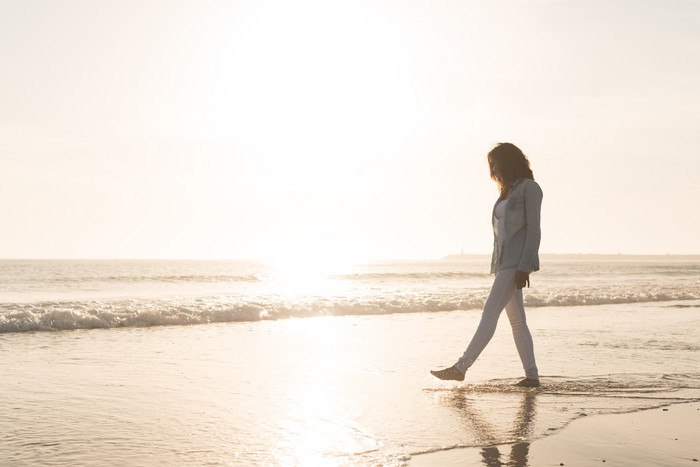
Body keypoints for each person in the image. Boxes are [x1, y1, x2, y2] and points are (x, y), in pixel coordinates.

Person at [431, 143, 542, 387]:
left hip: (516, 263)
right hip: (503, 262)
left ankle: (461, 367)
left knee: (490, 312)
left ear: (508, 161)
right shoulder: (505, 192)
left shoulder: (530, 189)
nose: (492, 168)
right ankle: (532, 376)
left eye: (495, 163)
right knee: (517, 321)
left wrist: (524, 266)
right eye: (490, 164)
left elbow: (533, 230)